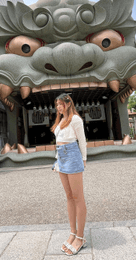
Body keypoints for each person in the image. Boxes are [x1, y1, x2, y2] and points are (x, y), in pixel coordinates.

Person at [51, 93, 87, 256]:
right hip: (61, 157)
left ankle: (80, 237)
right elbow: (58, 143)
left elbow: (82, 140)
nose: (58, 107)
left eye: (61, 104)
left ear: (68, 103)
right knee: (69, 196)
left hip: (72, 156)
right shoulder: (60, 122)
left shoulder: (75, 119)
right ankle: (72, 233)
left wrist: (83, 160)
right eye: (57, 104)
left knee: (78, 197)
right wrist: (56, 161)